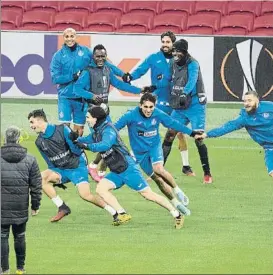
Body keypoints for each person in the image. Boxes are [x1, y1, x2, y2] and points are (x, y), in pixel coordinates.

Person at [70, 104, 189, 229]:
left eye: (88, 117)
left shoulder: (108, 130)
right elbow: (88, 139)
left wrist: (86, 146)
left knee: (148, 194)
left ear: (96, 118)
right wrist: (77, 139)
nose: (87, 119)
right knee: (101, 189)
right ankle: (122, 214)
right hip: (117, 170)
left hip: (128, 169)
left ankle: (177, 214)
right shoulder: (98, 131)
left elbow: (105, 145)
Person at [73, 44, 153, 182]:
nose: (100, 59)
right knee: (105, 139)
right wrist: (92, 96)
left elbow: (120, 84)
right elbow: (77, 89)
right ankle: (96, 168)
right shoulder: (88, 72)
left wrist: (139, 91)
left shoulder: (107, 70)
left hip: (104, 110)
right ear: (93, 56)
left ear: (106, 56)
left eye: (102, 56)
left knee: (111, 137)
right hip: (93, 111)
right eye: (97, 56)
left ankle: (96, 167)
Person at [114, 93, 202, 212]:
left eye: (151, 107)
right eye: (146, 107)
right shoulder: (130, 115)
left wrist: (191, 133)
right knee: (157, 179)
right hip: (140, 153)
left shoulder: (158, 113)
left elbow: (173, 123)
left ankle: (177, 190)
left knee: (159, 169)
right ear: (140, 105)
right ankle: (175, 203)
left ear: (154, 106)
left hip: (154, 147)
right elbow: (114, 128)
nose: (148, 110)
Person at [27, 109, 118, 224]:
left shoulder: (62, 129)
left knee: (85, 195)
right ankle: (62, 207)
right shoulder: (39, 142)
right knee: (40, 178)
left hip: (77, 167)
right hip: (60, 170)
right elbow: (49, 163)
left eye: (32, 122)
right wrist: (57, 179)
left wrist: (74, 141)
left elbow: (77, 150)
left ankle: (114, 212)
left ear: (40, 121)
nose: (31, 126)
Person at [122, 31, 194, 176]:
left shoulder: (179, 60)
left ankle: (186, 166)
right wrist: (130, 77)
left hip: (174, 101)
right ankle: (138, 163)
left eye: (168, 42)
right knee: (146, 131)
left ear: (173, 43)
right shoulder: (153, 58)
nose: (165, 44)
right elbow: (140, 70)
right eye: (163, 42)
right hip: (157, 101)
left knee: (179, 133)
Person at [50, 28, 124, 136]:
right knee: (64, 128)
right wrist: (71, 77)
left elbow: (105, 63)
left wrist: (123, 74)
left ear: (76, 37)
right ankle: (66, 151)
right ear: (63, 38)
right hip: (65, 97)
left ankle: (77, 152)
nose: (69, 39)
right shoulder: (58, 56)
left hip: (82, 99)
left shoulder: (85, 51)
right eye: (67, 36)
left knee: (79, 130)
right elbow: (55, 79)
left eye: (72, 36)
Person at [162, 38, 213, 184]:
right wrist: (155, 87)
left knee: (198, 137)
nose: (176, 54)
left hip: (195, 104)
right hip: (180, 104)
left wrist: (184, 92)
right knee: (170, 134)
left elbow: (192, 80)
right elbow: (167, 79)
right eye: (174, 51)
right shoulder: (172, 62)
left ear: (185, 52)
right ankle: (159, 171)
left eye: (178, 51)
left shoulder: (193, 64)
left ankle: (207, 174)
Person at [195, 90, 273, 181]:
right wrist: (207, 134)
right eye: (245, 101)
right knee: (271, 172)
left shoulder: (269, 107)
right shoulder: (244, 118)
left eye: (249, 100)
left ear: (257, 100)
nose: (246, 103)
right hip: (269, 148)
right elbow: (227, 127)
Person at [1, 126, 42, 275]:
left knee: (2, 236)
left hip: (1, 206)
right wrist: (35, 205)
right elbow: (36, 186)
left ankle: (4, 269)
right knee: (20, 236)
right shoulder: (30, 159)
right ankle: (20, 268)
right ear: (19, 139)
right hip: (20, 205)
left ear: (5, 139)